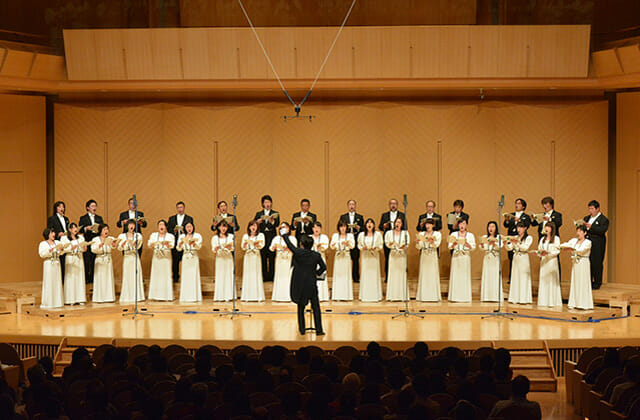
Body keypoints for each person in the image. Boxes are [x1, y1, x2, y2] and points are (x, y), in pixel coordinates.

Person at [280, 224, 327, 335]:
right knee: (316, 307)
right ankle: (319, 330)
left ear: (301, 244)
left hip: (301, 285)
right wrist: (316, 273)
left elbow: (289, 245)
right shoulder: (316, 255)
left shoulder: (298, 252)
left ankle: (302, 329)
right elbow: (324, 267)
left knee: (301, 308)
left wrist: (284, 234)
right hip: (312, 284)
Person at [561, 225, 594, 310]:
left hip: (583, 262)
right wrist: (560, 246)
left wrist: (571, 249)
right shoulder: (574, 240)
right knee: (575, 281)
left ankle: (584, 304)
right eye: (577, 231)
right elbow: (567, 244)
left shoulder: (588, 242)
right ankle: (574, 302)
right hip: (576, 263)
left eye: (580, 231)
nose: (578, 233)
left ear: (585, 233)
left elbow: (582, 250)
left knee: (583, 281)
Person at [447, 218, 475, 302]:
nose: (462, 225)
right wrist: (454, 244)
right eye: (460, 224)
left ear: (466, 225)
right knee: (456, 276)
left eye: (464, 223)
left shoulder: (470, 235)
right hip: (456, 256)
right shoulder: (454, 234)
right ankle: (454, 297)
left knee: (464, 276)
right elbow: (449, 246)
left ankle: (465, 297)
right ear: (458, 225)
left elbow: (473, 247)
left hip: (465, 257)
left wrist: (467, 244)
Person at [117, 219, 145, 303]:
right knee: (127, 276)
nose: (132, 226)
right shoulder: (121, 236)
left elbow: (139, 246)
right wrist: (122, 245)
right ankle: (127, 296)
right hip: (127, 257)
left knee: (136, 275)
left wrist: (135, 244)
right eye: (130, 225)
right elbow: (118, 248)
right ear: (127, 226)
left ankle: (138, 296)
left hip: (134, 256)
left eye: (133, 225)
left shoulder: (138, 235)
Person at [583, 200, 609, 290]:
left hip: (598, 241)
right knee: (588, 260)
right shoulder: (587, 218)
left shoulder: (604, 219)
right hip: (588, 240)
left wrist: (591, 227)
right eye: (589, 208)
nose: (590, 211)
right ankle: (588, 281)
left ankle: (597, 282)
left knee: (597, 261)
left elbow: (602, 230)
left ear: (597, 209)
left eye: (592, 209)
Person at [254, 195, 280, 282]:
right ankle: (264, 277)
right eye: (265, 202)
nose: (267, 204)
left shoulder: (275, 213)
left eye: (269, 202)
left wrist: (272, 222)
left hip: (271, 237)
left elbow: (277, 224)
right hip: (262, 237)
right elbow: (253, 225)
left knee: (272, 257)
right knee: (263, 257)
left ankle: (272, 277)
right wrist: (257, 222)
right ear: (262, 204)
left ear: (271, 203)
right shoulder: (259, 214)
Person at [379, 198, 407, 279]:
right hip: (388, 239)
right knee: (387, 258)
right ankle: (388, 277)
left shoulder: (402, 215)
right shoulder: (384, 215)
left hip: (399, 239)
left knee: (399, 258)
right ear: (389, 205)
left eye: (395, 203)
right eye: (391, 203)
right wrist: (384, 226)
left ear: (397, 205)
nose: (393, 205)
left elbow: (405, 227)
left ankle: (398, 277)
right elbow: (380, 227)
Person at [506, 221, 533, 304]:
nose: (519, 229)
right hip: (516, 257)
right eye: (518, 227)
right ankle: (515, 298)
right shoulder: (515, 237)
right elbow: (509, 248)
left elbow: (525, 248)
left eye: (521, 227)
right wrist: (505, 243)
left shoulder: (528, 238)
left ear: (525, 228)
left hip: (523, 258)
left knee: (523, 277)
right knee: (516, 277)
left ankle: (523, 299)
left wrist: (517, 243)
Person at [147, 220, 175, 301]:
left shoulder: (170, 236)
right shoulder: (154, 235)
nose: (161, 226)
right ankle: (155, 295)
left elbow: (172, 245)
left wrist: (167, 244)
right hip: (157, 258)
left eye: (163, 225)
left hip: (166, 258)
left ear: (166, 227)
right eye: (159, 225)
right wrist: (152, 245)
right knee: (156, 275)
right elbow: (149, 244)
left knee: (166, 275)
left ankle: (167, 296)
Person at [167, 201, 194, 284]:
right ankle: (175, 276)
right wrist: (174, 231)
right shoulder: (172, 219)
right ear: (176, 208)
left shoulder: (189, 218)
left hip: (185, 241)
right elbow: (168, 230)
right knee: (175, 260)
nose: (180, 209)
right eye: (178, 207)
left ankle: (187, 276)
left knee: (186, 258)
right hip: (175, 241)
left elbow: (192, 229)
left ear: (184, 208)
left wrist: (185, 230)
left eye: (181, 207)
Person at [504, 198, 532, 276]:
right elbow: (505, 225)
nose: (517, 205)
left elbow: (527, 225)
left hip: (520, 237)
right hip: (511, 236)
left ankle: (520, 275)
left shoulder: (526, 216)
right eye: (516, 203)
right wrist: (506, 220)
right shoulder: (512, 214)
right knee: (511, 257)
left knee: (519, 254)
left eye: (519, 203)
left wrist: (519, 221)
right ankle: (512, 277)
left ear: (523, 206)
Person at [60, 223, 87, 305]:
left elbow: (83, 248)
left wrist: (84, 248)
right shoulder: (64, 238)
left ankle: (80, 298)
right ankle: (70, 299)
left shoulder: (81, 237)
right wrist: (70, 248)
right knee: (71, 278)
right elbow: (63, 248)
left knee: (79, 277)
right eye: (73, 228)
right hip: (70, 257)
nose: (75, 229)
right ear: (69, 229)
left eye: (76, 227)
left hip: (79, 257)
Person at [536, 222, 562, 308]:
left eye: (548, 227)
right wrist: (539, 253)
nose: (546, 228)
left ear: (552, 229)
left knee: (551, 280)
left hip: (551, 261)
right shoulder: (542, 239)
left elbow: (557, 251)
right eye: (545, 227)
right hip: (544, 262)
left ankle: (552, 301)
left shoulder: (556, 239)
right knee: (544, 280)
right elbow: (539, 249)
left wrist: (549, 253)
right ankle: (543, 301)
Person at [78, 199, 104, 284]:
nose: (94, 208)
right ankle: (86, 278)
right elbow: (80, 229)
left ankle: (94, 278)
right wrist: (86, 228)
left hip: (96, 240)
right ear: (88, 208)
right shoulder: (83, 218)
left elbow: (103, 228)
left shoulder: (99, 218)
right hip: (87, 240)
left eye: (95, 206)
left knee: (95, 260)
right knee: (87, 260)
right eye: (92, 206)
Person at [339, 199, 365, 282]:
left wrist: (358, 228)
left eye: (353, 204)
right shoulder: (343, 216)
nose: (351, 206)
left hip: (356, 238)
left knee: (355, 259)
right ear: (347, 206)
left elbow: (363, 229)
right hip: (346, 239)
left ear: (355, 206)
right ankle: (345, 276)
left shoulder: (359, 217)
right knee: (344, 258)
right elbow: (340, 227)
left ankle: (356, 277)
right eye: (350, 204)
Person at [415, 218, 441, 302]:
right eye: (427, 224)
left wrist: (432, 242)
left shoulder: (437, 234)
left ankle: (433, 296)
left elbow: (437, 245)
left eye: (430, 224)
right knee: (424, 274)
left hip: (432, 254)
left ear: (433, 225)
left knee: (432, 274)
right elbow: (419, 247)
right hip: (424, 254)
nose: (428, 226)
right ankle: (423, 296)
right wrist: (417, 242)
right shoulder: (421, 234)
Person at [270, 222, 297, 302]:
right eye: (281, 227)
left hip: (288, 259)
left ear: (288, 229)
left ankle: (288, 296)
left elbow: (295, 249)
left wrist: (288, 248)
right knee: (279, 276)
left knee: (287, 276)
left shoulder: (292, 238)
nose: (283, 229)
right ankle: (278, 296)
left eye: (285, 227)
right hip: (279, 259)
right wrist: (274, 247)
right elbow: (271, 248)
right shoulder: (276, 238)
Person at [385, 218, 410, 301]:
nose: (397, 224)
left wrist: (403, 246)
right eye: (396, 222)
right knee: (393, 274)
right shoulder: (389, 233)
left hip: (401, 256)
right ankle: (392, 296)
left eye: (399, 222)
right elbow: (386, 243)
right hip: (393, 255)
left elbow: (407, 243)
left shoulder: (405, 233)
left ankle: (402, 296)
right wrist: (390, 244)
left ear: (402, 224)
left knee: (401, 274)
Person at [358, 218, 383, 302]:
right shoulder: (361, 235)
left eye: (371, 223)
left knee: (374, 275)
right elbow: (359, 245)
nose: (369, 224)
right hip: (365, 257)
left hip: (374, 257)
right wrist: (363, 248)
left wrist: (376, 248)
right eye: (368, 223)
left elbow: (380, 245)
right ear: (365, 225)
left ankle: (375, 296)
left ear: (374, 225)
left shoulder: (378, 234)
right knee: (365, 275)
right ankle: (365, 296)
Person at [176, 221, 202, 303]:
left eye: (190, 226)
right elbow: (178, 248)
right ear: (185, 228)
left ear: (193, 227)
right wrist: (180, 244)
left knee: (194, 276)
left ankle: (195, 296)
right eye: (187, 227)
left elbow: (199, 246)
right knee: (186, 276)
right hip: (186, 256)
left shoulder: (197, 235)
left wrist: (194, 244)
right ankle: (185, 297)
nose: (189, 228)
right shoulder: (182, 236)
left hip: (194, 257)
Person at [38, 228, 64, 309]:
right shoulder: (43, 243)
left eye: (54, 232)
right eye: (52, 232)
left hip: (57, 262)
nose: (54, 234)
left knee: (57, 282)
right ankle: (48, 302)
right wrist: (49, 251)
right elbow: (41, 254)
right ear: (47, 234)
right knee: (49, 282)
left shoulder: (58, 242)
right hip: (49, 263)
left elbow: (61, 252)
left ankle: (57, 302)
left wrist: (62, 250)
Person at [241, 220, 265, 302]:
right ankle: (247, 296)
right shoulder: (245, 236)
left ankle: (258, 296)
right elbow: (242, 247)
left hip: (256, 256)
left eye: (255, 225)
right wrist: (245, 245)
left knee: (256, 274)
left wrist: (256, 244)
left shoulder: (261, 235)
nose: (253, 227)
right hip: (248, 256)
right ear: (249, 227)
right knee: (248, 274)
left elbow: (262, 245)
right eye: (252, 225)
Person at [330, 220, 355, 301]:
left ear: (347, 227)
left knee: (346, 275)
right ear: (339, 227)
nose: (343, 228)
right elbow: (331, 246)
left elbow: (353, 245)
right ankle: (337, 296)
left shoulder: (350, 235)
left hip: (346, 256)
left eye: (344, 226)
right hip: (338, 256)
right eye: (341, 226)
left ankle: (346, 296)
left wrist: (348, 244)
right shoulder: (335, 235)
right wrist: (334, 245)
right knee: (338, 275)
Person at [90, 224, 115, 303]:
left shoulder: (110, 239)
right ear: (100, 231)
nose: (106, 231)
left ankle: (109, 297)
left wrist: (114, 245)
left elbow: (114, 247)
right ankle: (99, 298)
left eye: (107, 229)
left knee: (108, 278)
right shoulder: (95, 239)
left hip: (108, 259)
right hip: (99, 259)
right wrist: (99, 246)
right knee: (100, 278)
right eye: (104, 229)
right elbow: (93, 249)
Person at [211, 220, 235, 302]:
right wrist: (216, 248)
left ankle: (229, 296)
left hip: (228, 258)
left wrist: (229, 247)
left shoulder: (231, 236)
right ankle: (219, 296)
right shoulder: (215, 238)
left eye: (225, 226)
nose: (223, 228)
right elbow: (213, 249)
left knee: (228, 275)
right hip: (220, 258)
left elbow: (233, 247)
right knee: (220, 275)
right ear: (218, 227)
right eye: (221, 226)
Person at [479, 221, 502, 302]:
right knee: (487, 276)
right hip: (487, 257)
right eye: (489, 226)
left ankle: (495, 297)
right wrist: (482, 245)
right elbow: (482, 248)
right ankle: (486, 297)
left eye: (493, 226)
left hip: (495, 258)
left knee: (495, 277)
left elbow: (500, 246)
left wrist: (494, 244)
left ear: (496, 228)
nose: (491, 228)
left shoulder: (499, 237)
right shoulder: (485, 236)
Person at [47, 201, 69, 281]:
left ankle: (64, 279)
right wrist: (57, 234)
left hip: (65, 241)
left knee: (65, 261)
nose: (62, 208)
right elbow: (49, 230)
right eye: (59, 207)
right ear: (56, 208)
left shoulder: (66, 219)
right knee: (60, 260)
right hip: (57, 241)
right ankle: (59, 279)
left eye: (63, 207)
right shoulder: (52, 219)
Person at [311, 221, 330, 301]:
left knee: (321, 275)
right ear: (312, 229)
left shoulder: (324, 237)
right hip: (311, 260)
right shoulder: (309, 237)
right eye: (315, 227)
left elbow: (326, 246)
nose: (316, 229)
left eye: (318, 227)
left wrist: (320, 247)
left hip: (321, 258)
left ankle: (322, 296)